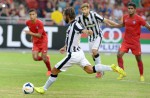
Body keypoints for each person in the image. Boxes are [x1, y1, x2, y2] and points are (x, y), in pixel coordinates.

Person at [34, 7, 126, 94]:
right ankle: (112, 67)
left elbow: (82, 30)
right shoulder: (72, 25)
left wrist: (87, 31)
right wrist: (65, 47)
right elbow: (72, 38)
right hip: (79, 54)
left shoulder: (75, 24)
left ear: (68, 16)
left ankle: (43, 89)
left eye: (64, 15)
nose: (63, 17)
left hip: (73, 55)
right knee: (90, 70)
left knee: (54, 71)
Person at [108, 2, 150, 81]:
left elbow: (148, 26)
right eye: (129, 8)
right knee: (119, 54)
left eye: (131, 9)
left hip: (135, 42)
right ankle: (122, 72)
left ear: (135, 9)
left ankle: (141, 75)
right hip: (126, 41)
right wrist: (113, 26)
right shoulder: (125, 17)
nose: (130, 10)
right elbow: (122, 25)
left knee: (138, 59)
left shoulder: (139, 19)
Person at [75, 3, 118, 78]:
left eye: (85, 9)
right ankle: (100, 70)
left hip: (98, 35)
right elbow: (74, 25)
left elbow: (106, 20)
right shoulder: (80, 18)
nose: (84, 11)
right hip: (90, 38)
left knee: (94, 51)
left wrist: (118, 25)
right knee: (92, 54)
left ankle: (99, 72)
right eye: (83, 10)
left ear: (88, 9)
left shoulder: (94, 15)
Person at [25, 9, 52, 76]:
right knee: (35, 58)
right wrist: (32, 36)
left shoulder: (40, 23)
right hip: (36, 41)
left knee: (44, 58)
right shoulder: (28, 22)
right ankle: (46, 57)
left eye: (33, 14)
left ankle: (49, 70)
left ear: (36, 15)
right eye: (30, 15)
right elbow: (31, 29)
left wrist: (30, 33)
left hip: (43, 41)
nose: (31, 16)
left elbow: (39, 35)